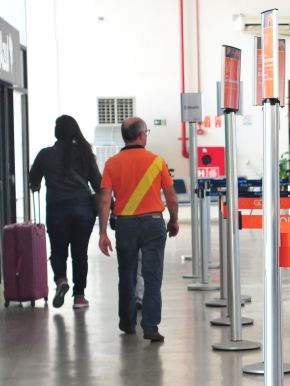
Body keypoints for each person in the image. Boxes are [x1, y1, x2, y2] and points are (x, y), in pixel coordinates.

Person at [98, 117, 179, 342]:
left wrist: (103, 232)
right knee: (152, 276)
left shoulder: (112, 163)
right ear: (142, 135)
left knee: (127, 275)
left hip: (125, 224)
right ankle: (151, 327)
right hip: (153, 223)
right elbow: (171, 197)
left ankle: (127, 322)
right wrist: (173, 220)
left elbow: (105, 201)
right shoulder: (157, 161)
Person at [29, 115, 101, 309]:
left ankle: (61, 280)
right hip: (82, 209)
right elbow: (98, 183)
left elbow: (33, 180)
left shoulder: (45, 154)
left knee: (58, 251)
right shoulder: (85, 154)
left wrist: (36, 184)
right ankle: (79, 296)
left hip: (57, 208)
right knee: (80, 253)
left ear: (57, 133)